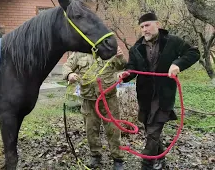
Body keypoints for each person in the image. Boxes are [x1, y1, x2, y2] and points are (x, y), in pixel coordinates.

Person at [118, 12, 200, 170]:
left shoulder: (172, 41)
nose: (144, 30)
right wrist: (125, 74)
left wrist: (178, 64)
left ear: (158, 24)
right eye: (142, 27)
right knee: (151, 131)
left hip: (164, 96)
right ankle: (161, 161)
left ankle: (146, 164)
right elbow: (132, 68)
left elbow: (193, 53)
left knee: (153, 131)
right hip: (145, 96)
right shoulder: (136, 47)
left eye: (147, 25)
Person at [62, 46, 127, 169]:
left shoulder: (109, 48)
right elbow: (66, 66)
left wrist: (120, 57)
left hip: (108, 99)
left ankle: (118, 158)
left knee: (113, 129)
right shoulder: (79, 52)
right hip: (89, 100)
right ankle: (95, 156)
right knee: (91, 129)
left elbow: (121, 66)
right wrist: (70, 74)